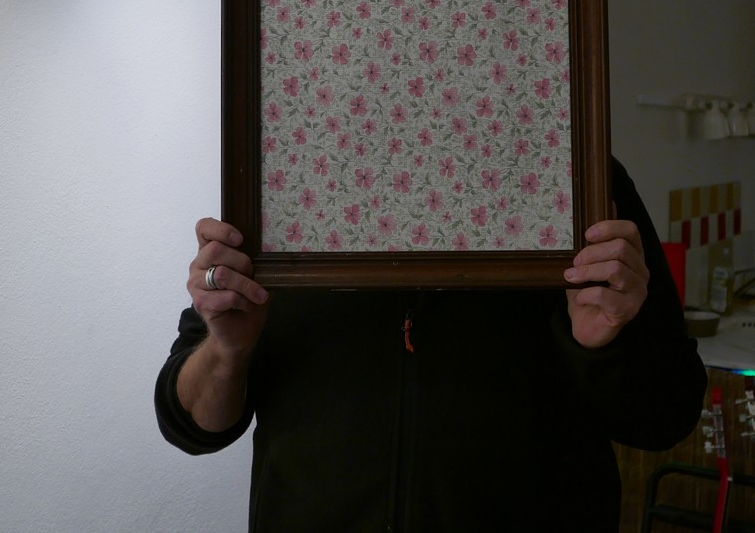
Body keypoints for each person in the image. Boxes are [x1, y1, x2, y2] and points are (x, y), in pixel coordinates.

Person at [156, 157, 706, 531]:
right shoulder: (282, 171)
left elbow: (668, 414)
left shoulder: (576, 172)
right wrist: (226, 352)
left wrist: (600, 347)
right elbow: (190, 425)